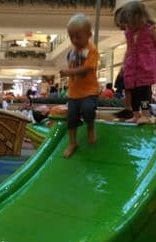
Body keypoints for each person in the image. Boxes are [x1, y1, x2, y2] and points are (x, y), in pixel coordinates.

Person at [119, 1, 156, 123]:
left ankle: (146, 114)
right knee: (133, 90)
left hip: (146, 64)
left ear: (138, 18)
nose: (128, 26)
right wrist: (123, 63)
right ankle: (136, 114)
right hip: (132, 65)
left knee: (144, 91)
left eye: (130, 22)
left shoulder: (150, 30)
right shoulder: (129, 33)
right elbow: (128, 49)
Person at [59, 13, 100, 158]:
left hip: (89, 91)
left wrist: (68, 71)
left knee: (88, 110)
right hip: (74, 93)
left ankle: (90, 126)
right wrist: (68, 74)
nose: (74, 40)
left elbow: (87, 69)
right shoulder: (71, 53)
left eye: (78, 36)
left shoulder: (92, 50)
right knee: (71, 118)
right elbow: (74, 73)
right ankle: (72, 142)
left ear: (88, 34)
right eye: (71, 37)